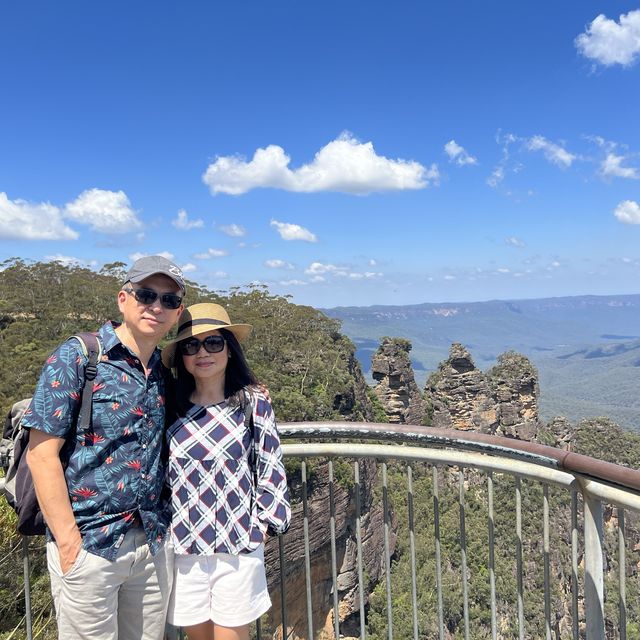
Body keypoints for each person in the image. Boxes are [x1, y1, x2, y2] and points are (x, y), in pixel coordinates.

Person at [23, 255, 186, 640]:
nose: (157, 307)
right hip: (90, 544)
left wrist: (247, 389)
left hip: (151, 542)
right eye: (147, 294)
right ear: (123, 299)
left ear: (177, 313)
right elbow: (41, 453)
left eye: (169, 300)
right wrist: (68, 543)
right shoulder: (80, 356)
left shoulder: (163, 372)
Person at [161, 303, 291, 640]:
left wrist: (262, 525)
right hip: (184, 545)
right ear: (182, 357)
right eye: (191, 346)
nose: (203, 353)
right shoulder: (170, 405)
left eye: (214, 343)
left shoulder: (251, 402)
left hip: (237, 544)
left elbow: (270, 464)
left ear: (230, 350)